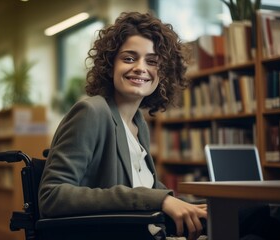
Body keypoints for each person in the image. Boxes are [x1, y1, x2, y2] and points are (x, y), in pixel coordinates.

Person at [38, 11, 206, 240]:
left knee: (251, 217)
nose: (140, 67)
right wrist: (159, 200)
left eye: (152, 61)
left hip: (153, 234)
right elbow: (52, 196)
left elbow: (142, 185)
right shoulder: (91, 112)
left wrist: (187, 205)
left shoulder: (139, 123)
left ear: (163, 74)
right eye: (129, 58)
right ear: (110, 65)